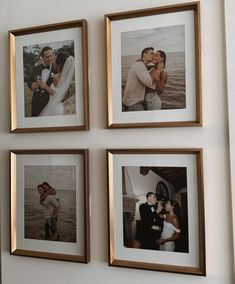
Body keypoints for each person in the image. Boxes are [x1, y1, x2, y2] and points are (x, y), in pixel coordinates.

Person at [39, 52, 75, 116]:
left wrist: (46, 87)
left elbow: (57, 95)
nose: (53, 61)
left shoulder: (56, 76)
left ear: (59, 65)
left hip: (54, 108)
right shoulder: (66, 77)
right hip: (59, 106)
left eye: (55, 60)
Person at [122, 47, 156, 111]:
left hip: (131, 101)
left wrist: (155, 66)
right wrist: (158, 69)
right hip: (134, 103)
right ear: (144, 54)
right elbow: (149, 83)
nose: (153, 56)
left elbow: (146, 68)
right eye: (152, 53)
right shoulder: (139, 66)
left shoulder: (140, 65)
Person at [27, 46, 56, 116]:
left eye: (51, 56)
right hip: (36, 103)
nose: (50, 58)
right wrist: (33, 85)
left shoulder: (57, 69)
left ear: (53, 55)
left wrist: (46, 87)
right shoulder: (36, 68)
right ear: (42, 58)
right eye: (47, 57)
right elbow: (29, 81)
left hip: (49, 103)